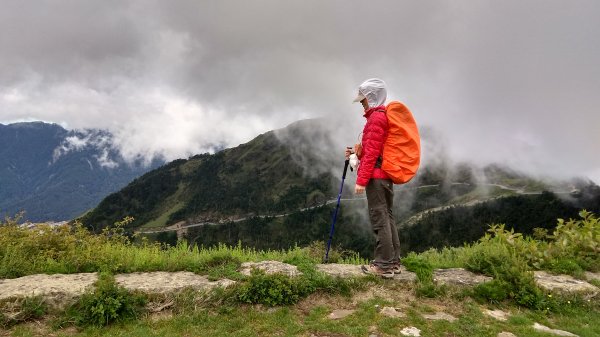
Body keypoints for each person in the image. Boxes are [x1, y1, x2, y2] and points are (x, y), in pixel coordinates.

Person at [345, 78, 400, 278]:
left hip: (376, 178)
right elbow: (373, 150)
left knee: (380, 218)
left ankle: (383, 265)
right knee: (388, 216)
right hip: (385, 176)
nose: (361, 102)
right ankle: (393, 262)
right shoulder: (379, 117)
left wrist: (361, 179)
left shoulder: (376, 119)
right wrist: (355, 152)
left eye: (363, 99)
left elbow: (372, 155)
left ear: (372, 97)